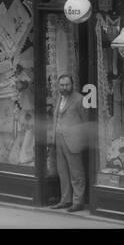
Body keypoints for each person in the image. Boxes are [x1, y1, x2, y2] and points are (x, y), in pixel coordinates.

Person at [50, 73, 88, 212]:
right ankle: (65, 200)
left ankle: (78, 202)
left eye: (67, 84)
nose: (64, 87)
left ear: (72, 85)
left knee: (76, 172)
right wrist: (53, 137)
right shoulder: (59, 98)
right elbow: (56, 118)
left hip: (73, 140)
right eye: (62, 85)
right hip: (59, 138)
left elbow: (85, 121)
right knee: (63, 171)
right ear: (58, 86)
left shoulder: (80, 99)